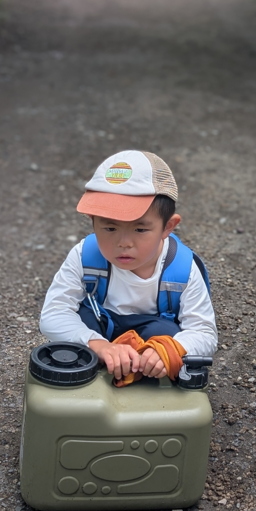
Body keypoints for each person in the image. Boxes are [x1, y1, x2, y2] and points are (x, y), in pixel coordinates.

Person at [40, 150, 217, 383]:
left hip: (148, 343)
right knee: (75, 323)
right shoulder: (85, 255)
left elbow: (205, 333)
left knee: (167, 336)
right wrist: (99, 345)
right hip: (97, 328)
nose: (124, 243)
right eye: (110, 228)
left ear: (168, 227)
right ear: (92, 221)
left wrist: (167, 350)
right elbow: (53, 314)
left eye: (140, 229)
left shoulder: (182, 269)